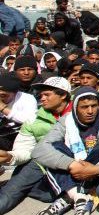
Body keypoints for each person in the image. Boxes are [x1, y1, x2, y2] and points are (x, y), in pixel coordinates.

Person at [31, 86, 99, 215]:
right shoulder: (67, 120)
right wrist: (72, 164)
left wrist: (97, 169)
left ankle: (69, 197)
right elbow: (39, 150)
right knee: (54, 147)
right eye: (84, 107)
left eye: (94, 106)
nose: (90, 111)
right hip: (75, 169)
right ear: (75, 108)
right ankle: (79, 197)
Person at [0, 77, 72, 214]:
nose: (42, 98)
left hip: (72, 164)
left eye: (47, 94)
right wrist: (9, 156)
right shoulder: (34, 118)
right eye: (41, 95)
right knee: (11, 192)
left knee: (46, 195)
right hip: (40, 163)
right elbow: (24, 149)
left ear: (63, 95)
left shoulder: (81, 111)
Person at [0, 74, 37, 151]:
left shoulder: (27, 99)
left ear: (15, 93)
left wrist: (3, 108)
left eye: (3, 95)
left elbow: (30, 120)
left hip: (18, 139)